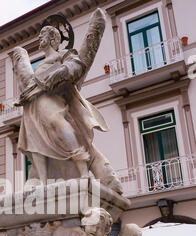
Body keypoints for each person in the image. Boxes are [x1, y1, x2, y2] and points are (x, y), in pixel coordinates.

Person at [12, 9, 123, 194]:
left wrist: (61, 72)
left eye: (42, 36)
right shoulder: (39, 65)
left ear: (53, 39)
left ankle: (82, 167)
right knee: (34, 141)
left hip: (55, 102)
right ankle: (44, 181)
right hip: (34, 107)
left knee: (61, 125)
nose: (39, 39)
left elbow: (76, 65)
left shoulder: (63, 55)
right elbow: (31, 86)